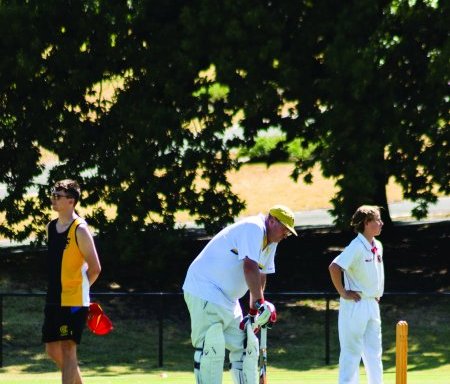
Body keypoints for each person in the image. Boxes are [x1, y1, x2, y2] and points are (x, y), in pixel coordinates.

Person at [182, 204, 297, 384]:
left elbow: (261, 275)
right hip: (205, 289)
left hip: (229, 299)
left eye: (289, 232)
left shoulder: (272, 242)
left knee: (246, 347)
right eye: (284, 229)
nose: (285, 234)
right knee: (212, 348)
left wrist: (254, 314)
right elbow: (249, 267)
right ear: (272, 221)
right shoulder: (254, 228)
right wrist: (260, 304)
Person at [41, 179, 102, 384]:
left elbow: (95, 268)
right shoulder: (51, 227)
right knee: (51, 349)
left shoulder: (80, 230)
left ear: (71, 201)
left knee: (68, 349)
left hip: (74, 300)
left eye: (58, 196)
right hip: (53, 297)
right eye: (53, 195)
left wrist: (82, 290)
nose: (53, 199)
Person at [328, 205, 384, 384]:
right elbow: (334, 267)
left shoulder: (378, 245)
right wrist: (343, 292)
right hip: (356, 304)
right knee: (351, 352)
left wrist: (376, 293)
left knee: (374, 352)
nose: (381, 223)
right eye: (377, 220)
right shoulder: (357, 246)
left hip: (371, 304)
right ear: (367, 223)